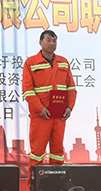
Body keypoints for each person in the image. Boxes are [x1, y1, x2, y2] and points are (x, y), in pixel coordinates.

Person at [22, 29, 77, 166]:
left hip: (59, 114)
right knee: (37, 152)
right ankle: (35, 180)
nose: (52, 43)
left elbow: (71, 88)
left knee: (57, 152)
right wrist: (40, 108)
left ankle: (57, 179)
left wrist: (69, 107)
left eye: (54, 40)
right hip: (41, 115)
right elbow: (27, 90)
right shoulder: (31, 62)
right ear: (40, 43)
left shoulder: (63, 62)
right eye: (48, 40)